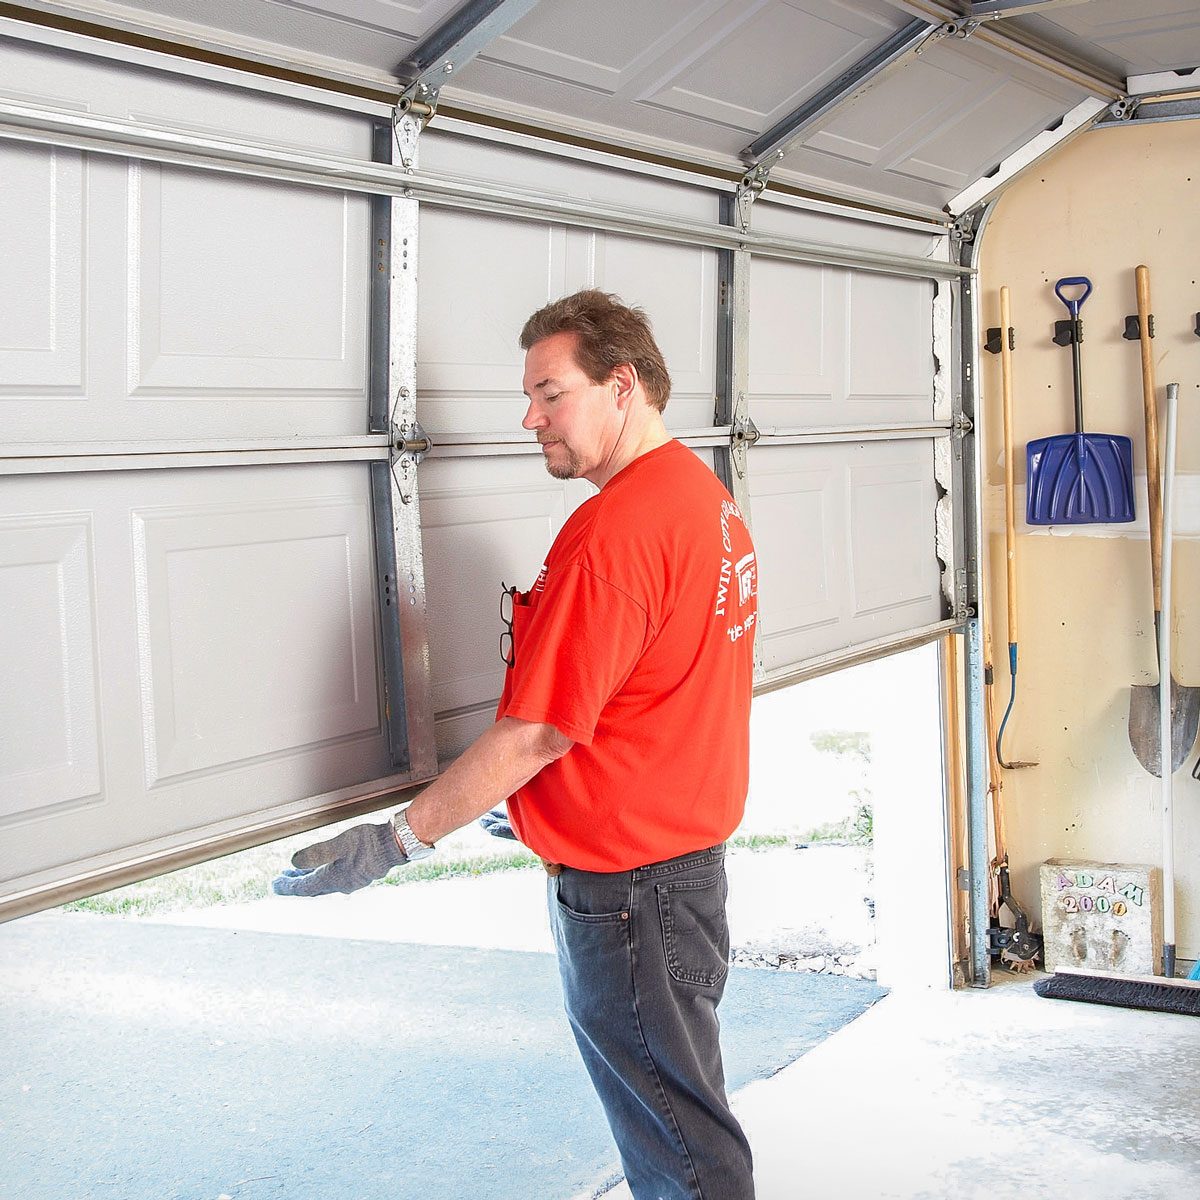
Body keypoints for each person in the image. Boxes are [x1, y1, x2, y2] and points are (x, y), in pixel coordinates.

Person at [273, 290, 759, 1200]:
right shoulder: (702, 497)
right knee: (684, 1118)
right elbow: (657, 687)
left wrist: (396, 839)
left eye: (549, 392)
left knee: (682, 1148)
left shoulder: (612, 536)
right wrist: (540, 806)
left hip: (629, 898)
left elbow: (538, 730)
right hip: (680, 874)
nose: (528, 417)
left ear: (623, 387)